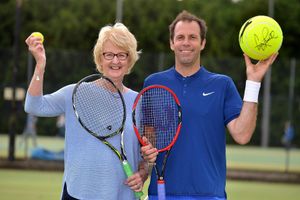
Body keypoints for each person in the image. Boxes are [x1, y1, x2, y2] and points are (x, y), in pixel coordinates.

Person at [141, 10, 278, 199]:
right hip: (162, 194)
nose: (186, 42)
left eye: (193, 37)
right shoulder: (152, 84)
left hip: (209, 194)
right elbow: (149, 144)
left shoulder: (222, 84)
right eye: (180, 37)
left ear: (202, 43)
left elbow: (243, 134)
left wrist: (253, 81)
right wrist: (143, 168)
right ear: (172, 43)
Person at [25, 23, 150, 200]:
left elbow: (146, 154)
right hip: (77, 193)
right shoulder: (74, 93)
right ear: (100, 58)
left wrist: (143, 173)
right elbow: (33, 106)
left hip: (122, 195)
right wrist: (40, 64)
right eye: (109, 54)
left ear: (130, 59)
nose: (115, 61)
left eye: (122, 55)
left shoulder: (140, 102)